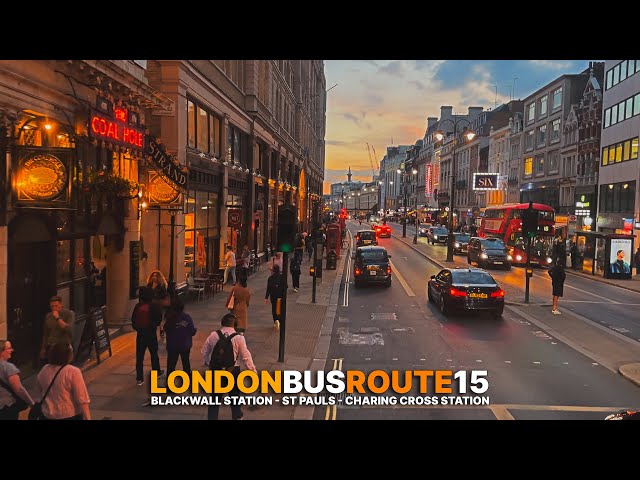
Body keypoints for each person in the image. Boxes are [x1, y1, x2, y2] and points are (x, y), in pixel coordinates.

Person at [201, 313, 257, 420]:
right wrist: (253, 371)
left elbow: (204, 352)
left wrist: (210, 364)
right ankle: (237, 416)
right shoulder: (239, 338)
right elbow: (246, 356)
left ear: (222, 323)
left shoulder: (213, 335)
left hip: (216, 371)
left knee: (214, 399)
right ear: (235, 325)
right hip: (233, 371)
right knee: (235, 398)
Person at [36, 342, 91, 420]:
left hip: (48, 415)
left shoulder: (44, 369)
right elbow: (82, 398)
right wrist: (87, 418)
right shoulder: (72, 371)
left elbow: (39, 392)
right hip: (69, 414)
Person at [131, 287, 164, 385]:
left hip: (140, 334)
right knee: (154, 353)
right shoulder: (154, 306)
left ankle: (139, 378)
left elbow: (133, 320)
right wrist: (153, 326)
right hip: (151, 333)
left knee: (139, 356)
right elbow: (158, 319)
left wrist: (138, 329)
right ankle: (156, 371)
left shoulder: (138, 306)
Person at [0, 339, 35, 420]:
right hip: (7, 406)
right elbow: (18, 389)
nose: (12, 350)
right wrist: (31, 403)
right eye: (9, 348)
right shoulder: (8, 367)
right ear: (1, 351)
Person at [163, 297, 197, 379]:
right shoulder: (187, 317)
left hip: (172, 345)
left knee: (171, 363)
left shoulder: (169, 318)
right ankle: (187, 375)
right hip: (185, 344)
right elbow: (192, 331)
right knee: (185, 361)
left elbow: (166, 329)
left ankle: (170, 379)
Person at [40, 295, 74, 364]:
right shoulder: (48, 316)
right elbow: (46, 333)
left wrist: (57, 318)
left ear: (61, 305)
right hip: (51, 346)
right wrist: (43, 348)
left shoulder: (68, 314)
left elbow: (68, 329)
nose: (54, 308)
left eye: (56, 306)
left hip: (63, 348)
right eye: (52, 306)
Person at [227, 270, 251, 334]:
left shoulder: (235, 288)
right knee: (242, 323)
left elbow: (230, 298)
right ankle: (241, 335)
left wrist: (228, 305)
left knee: (235, 321)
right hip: (243, 307)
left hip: (235, 307)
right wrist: (246, 305)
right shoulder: (246, 290)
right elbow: (248, 300)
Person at [265, 264, 284, 330]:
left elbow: (268, 288)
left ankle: (275, 321)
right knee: (280, 309)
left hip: (273, 296)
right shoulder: (282, 277)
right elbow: (285, 286)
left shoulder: (270, 278)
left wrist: (266, 297)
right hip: (280, 296)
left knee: (274, 308)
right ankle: (280, 320)